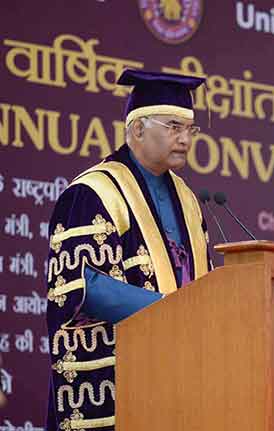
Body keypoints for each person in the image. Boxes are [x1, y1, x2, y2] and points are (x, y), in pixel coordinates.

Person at [45, 70, 212, 430]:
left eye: (190, 129)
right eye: (173, 126)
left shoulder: (188, 199)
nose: (184, 139)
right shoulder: (93, 192)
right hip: (122, 378)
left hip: (183, 374)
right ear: (138, 129)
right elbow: (82, 285)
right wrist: (174, 313)